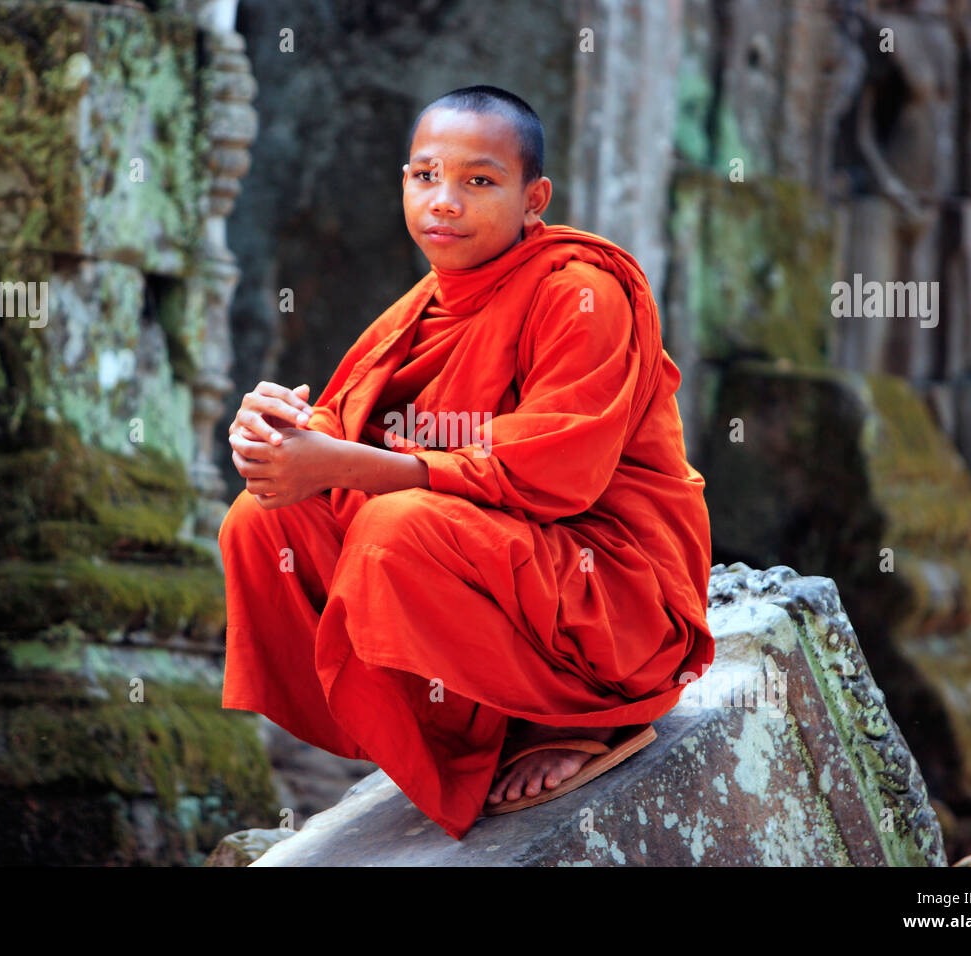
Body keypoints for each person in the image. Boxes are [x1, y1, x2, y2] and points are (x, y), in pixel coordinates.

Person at [219, 84, 714, 841]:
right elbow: (347, 429)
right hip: (503, 561)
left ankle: (578, 718)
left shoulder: (579, 294)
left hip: (610, 591)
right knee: (263, 522)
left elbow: (548, 476)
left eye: (478, 181)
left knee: (394, 529)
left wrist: (336, 463)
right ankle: (461, 734)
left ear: (532, 197)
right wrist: (270, 435)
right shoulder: (425, 303)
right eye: (424, 177)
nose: (444, 201)